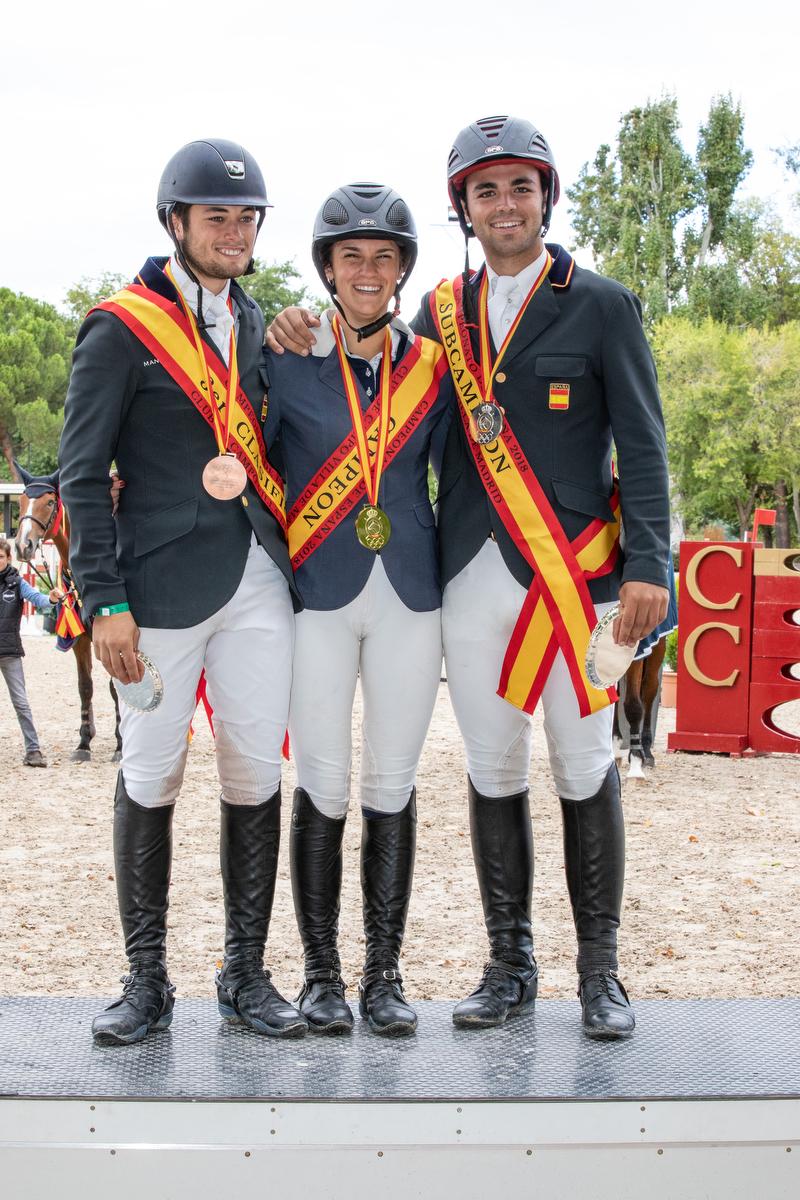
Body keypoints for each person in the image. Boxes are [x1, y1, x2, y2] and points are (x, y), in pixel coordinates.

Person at [266, 116, 671, 1040]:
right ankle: (510, 966)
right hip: (468, 577)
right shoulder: (438, 314)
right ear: (463, 208)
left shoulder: (602, 304)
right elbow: (366, 374)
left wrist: (652, 562)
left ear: (547, 197)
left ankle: (600, 975)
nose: (504, 205)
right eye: (484, 191)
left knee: (583, 764)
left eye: (520, 187)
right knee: (493, 768)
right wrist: (298, 319)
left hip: (576, 581)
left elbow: (644, 444)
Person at [59, 139, 307, 1045]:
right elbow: (80, 476)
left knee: (252, 771)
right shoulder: (119, 327)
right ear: (176, 223)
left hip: (256, 579)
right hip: (156, 590)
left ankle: (244, 974)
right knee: (150, 775)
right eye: (217, 217)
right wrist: (103, 600)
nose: (235, 232)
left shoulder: (264, 326)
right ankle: (146, 979)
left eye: (246, 218)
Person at [263, 184, 452, 1036]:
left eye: (384, 256)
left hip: (411, 592)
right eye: (352, 257)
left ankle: (384, 975)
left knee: (391, 783)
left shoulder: (435, 370)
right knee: (324, 784)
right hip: (318, 597)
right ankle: (322, 976)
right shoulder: (287, 358)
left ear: (403, 269)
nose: (368, 270)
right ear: (329, 271)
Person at [0, 538, 62, 767]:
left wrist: (52, 599)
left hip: (10, 651)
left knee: (21, 702)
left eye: (0, 557)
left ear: (8, 559)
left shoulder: (17, 583)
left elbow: (40, 601)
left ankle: (33, 750)